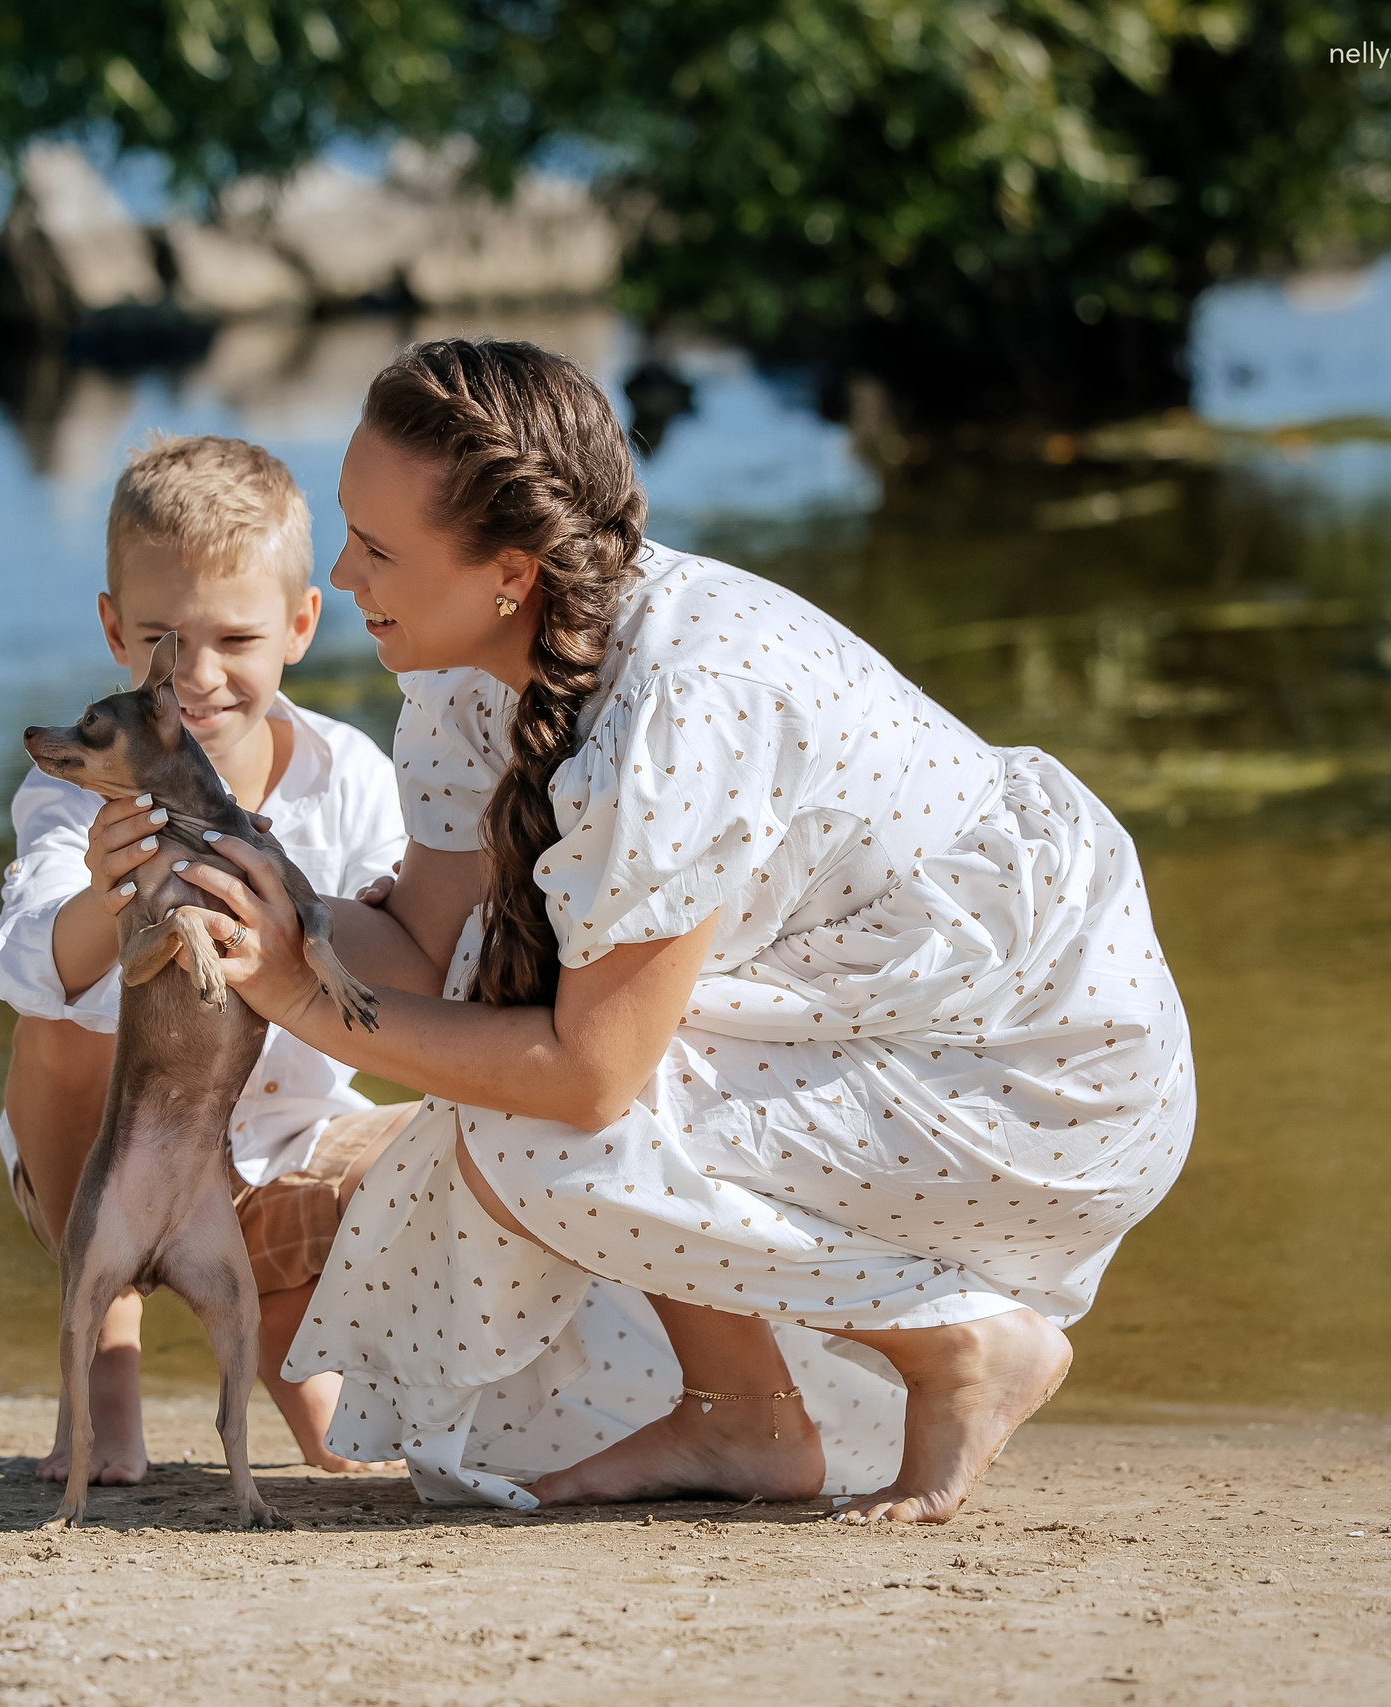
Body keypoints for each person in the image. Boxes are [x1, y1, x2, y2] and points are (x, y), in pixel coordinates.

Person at [165, 340, 1197, 1521]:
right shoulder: (465, 675)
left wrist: (300, 996)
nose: (341, 574)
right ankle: (745, 1419)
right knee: (500, 1087)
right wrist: (228, 876)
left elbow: (588, 1078)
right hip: (857, 1018)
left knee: (530, 1136)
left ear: (509, 570)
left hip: (1026, 1061)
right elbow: (421, 959)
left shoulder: (676, 709)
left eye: (378, 548)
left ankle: (956, 1346)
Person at [0, 433, 414, 1483]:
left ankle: (286, 1328)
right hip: (110, 1155)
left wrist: (340, 924)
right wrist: (103, 893)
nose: (197, 677)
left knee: (347, 1459)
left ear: (303, 625)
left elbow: (410, 952)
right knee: (57, 1027)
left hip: (277, 1146)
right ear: (110, 630)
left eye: (236, 638)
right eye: (160, 640)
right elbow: (27, 965)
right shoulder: (80, 789)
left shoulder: (345, 776)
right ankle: (108, 1361)